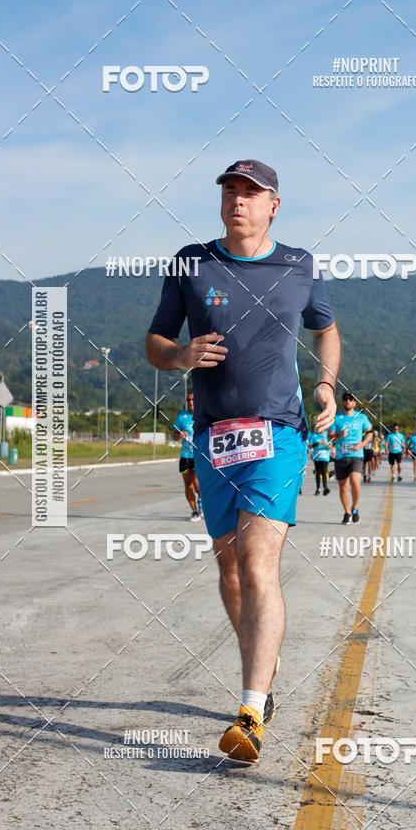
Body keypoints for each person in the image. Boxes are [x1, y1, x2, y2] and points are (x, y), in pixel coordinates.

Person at [146, 159, 340, 765]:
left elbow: (327, 330)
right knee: (230, 571)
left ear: (273, 205)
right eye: (230, 190)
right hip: (214, 438)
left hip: (277, 433)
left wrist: (326, 384)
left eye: (251, 193)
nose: (237, 200)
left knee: (257, 561)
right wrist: (180, 356)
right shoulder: (191, 262)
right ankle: (263, 666)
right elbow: (154, 343)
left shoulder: (299, 264)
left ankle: (250, 711)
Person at [330, 392, 373, 524]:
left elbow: (370, 433)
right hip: (341, 456)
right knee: (343, 486)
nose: (348, 401)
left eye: (351, 399)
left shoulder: (361, 417)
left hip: (356, 455)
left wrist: (362, 444)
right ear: (342, 402)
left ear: (354, 403)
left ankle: (355, 507)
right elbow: (330, 437)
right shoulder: (337, 418)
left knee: (355, 481)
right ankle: (347, 512)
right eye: (345, 399)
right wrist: (339, 435)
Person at [173, 391, 203, 521]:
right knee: (188, 486)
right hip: (185, 456)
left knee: (197, 484)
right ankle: (195, 511)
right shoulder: (181, 417)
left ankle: (201, 503)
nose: (191, 402)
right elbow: (174, 436)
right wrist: (179, 435)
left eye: (193, 399)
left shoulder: (202, 415)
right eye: (188, 400)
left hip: (198, 455)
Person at [307, 423, 331, 495]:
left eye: (320, 428)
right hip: (316, 456)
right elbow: (310, 446)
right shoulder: (314, 435)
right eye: (317, 428)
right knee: (318, 472)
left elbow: (330, 446)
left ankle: (325, 488)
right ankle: (318, 489)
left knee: (324, 471)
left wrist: (325, 444)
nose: (319, 429)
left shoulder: (326, 434)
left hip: (325, 456)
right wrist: (316, 444)